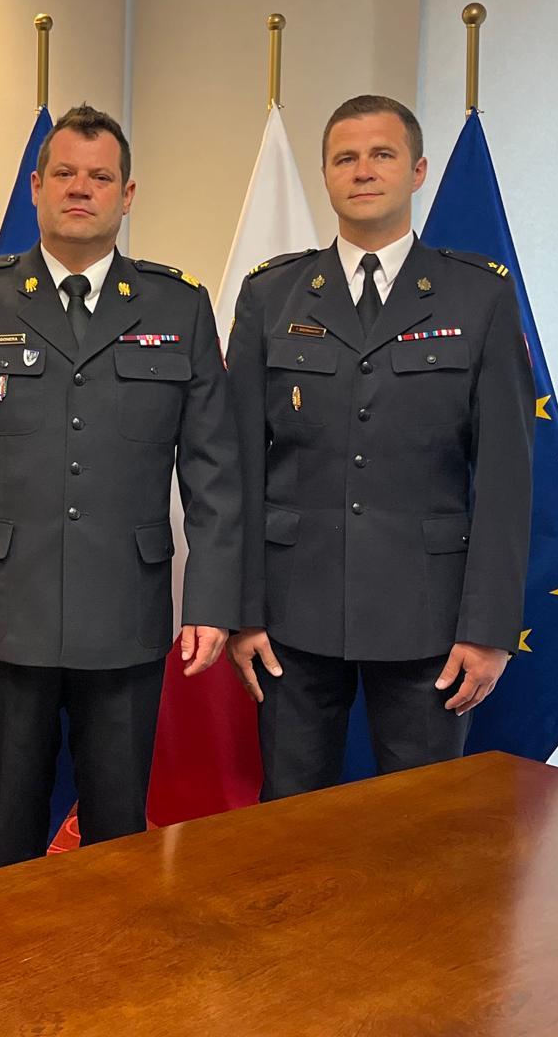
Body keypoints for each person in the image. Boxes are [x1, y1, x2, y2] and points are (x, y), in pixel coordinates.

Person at [0, 104, 241, 871]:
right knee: (10, 833)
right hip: (4, 609)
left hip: (126, 610)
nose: (80, 189)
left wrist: (212, 601)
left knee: (117, 834)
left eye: (100, 177)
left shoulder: (178, 305)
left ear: (128, 195)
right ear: (37, 187)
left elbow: (215, 472)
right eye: (64, 174)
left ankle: (111, 952)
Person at [226, 94, 534, 799]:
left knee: (417, 826)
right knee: (289, 822)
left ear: (418, 170)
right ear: (326, 176)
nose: (362, 171)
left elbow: (507, 476)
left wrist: (488, 627)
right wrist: (243, 612)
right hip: (292, 615)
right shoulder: (271, 295)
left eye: (382, 155)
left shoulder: (477, 296)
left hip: (430, 617)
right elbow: (238, 464)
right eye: (345, 158)